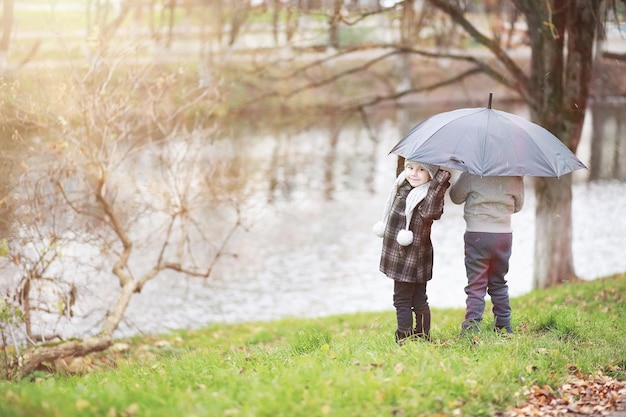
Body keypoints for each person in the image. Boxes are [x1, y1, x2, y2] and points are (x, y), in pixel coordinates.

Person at [373, 159, 451, 344]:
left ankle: (405, 337)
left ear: (431, 174)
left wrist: (440, 181)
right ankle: (421, 336)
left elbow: (431, 212)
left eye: (421, 169)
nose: (413, 173)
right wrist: (404, 165)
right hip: (402, 256)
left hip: (410, 258)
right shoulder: (402, 185)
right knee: (416, 298)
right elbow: (402, 169)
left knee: (404, 300)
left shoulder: (429, 196)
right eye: (410, 168)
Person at [449, 173, 524, 334]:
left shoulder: (472, 173)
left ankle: (472, 326)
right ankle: (504, 325)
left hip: (477, 234)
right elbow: (518, 206)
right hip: (503, 235)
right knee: (498, 282)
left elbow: (455, 197)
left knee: (476, 282)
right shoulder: (514, 175)